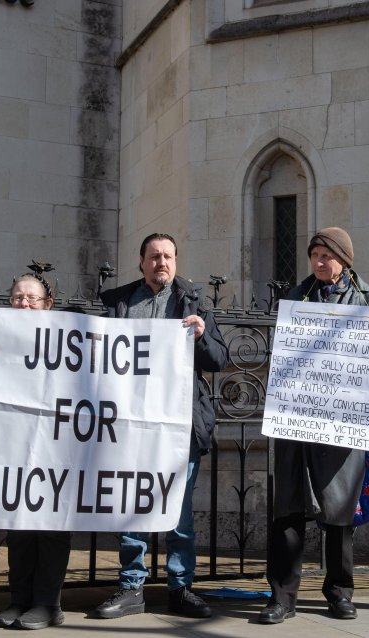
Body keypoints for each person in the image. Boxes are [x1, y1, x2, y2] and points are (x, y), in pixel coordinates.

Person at [92, 233, 228, 619]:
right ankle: (131, 587)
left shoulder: (194, 302)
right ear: (141, 262)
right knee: (131, 509)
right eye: (154, 257)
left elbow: (219, 359)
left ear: (176, 262)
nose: (161, 263)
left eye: (167, 256)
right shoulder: (121, 304)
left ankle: (181, 588)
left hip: (179, 427)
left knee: (179, 514)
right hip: (131, 428)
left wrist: (202, 336)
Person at [258, 227, 369, 624]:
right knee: (289, 508)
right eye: (314, 254)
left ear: (344, 260)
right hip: (298, 417)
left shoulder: (368, 299)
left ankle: (340, 592)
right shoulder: (296, 298)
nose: (318, 261)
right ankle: (282, 596)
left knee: (339, 510)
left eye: (325, 255)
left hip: (341, 422)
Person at [0, 274, 72, 630]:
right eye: (17, 298)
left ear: (48, 305)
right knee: (19, 523)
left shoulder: (67, 341)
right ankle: (20, 599)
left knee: (51, 526)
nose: (24, 304)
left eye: (32, 298)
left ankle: (48, 602)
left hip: (58, 449)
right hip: (15, 447)